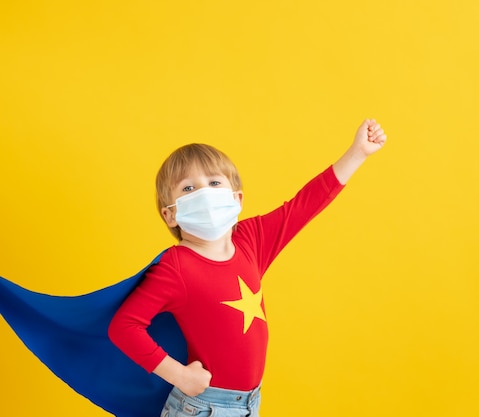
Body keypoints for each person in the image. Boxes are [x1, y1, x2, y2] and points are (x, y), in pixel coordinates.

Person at [107, 118, 387, 417]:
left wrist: (357, 153)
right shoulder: (176, 267)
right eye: (188, 188)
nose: (204, 192)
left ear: (237, 199)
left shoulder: (251, 240)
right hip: (204, 408)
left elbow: (306, 204)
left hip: (249, 404)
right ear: (170, 215)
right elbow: (124, 326)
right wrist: (179, 376)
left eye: (214, 183)